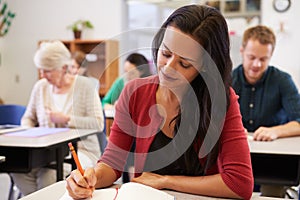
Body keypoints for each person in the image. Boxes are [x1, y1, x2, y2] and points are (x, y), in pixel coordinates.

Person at [66, 5, 253, 200]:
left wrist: (165, 181)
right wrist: (91, 176)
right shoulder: (134, 93)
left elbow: (239, 183)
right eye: (165, 53)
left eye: (185, 64)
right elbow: (112, 163)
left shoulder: (221, 100)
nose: (168, 68)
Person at [11, 41, 104, 196]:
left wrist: (67, 119)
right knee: (19, 170)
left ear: (63, 68)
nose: (42, 75)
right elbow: (28, 118)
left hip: (79, 151)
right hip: (44, 151)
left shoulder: (85, 86)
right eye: (40, 70)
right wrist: (30, 132)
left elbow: (98, 123)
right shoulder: (40, 87)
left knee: (49, 174)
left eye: (47, 70)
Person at [232, 25, 300, 197]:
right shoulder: (228, 80)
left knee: (271, 192)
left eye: (263, 59)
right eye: (251, 57)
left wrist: (275, 132)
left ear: (271, 56)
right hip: (237, 157)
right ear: (242, 51)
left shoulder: (282, 80)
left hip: (274, 162)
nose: (257, 64)